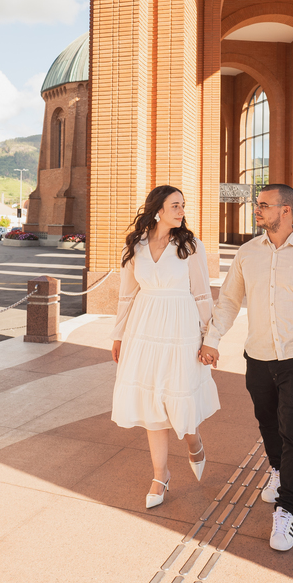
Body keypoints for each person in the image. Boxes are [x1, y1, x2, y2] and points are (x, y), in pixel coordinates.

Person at [200, 183, 293, 552]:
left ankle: (287, 509)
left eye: (264, 205)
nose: (257, 209)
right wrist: (212, 340)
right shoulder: (248, 253)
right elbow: (229, 301)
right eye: (257, 204)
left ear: (286, 211)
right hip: (259, 356)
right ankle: (278, 470)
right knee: (268, 422)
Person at [111, 184, 220, 509]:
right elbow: (127, 295)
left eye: (183, 205)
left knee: (179, 395)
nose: (182, 211)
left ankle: (193, 440)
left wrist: (209, 339)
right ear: (158, 209)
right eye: (175, 205)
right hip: (143, 329)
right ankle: (161, 476)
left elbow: (202, 294)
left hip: (180, 328)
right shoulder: (136, 245)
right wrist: (118, 335)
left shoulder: (190, 246)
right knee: (151, 403)